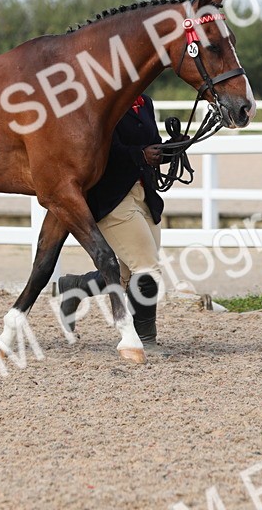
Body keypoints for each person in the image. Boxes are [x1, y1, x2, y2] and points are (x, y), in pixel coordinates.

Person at [57, 93, 185, 346]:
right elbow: (98, 150)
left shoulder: (144, 102)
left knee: (129, 276)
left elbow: (151, 146)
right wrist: (140, 154)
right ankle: (145, 340)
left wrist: (172, 148)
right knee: (147, 269)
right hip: (112, 198)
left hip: (144, 195)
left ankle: (77, 286)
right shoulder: (101, 102)